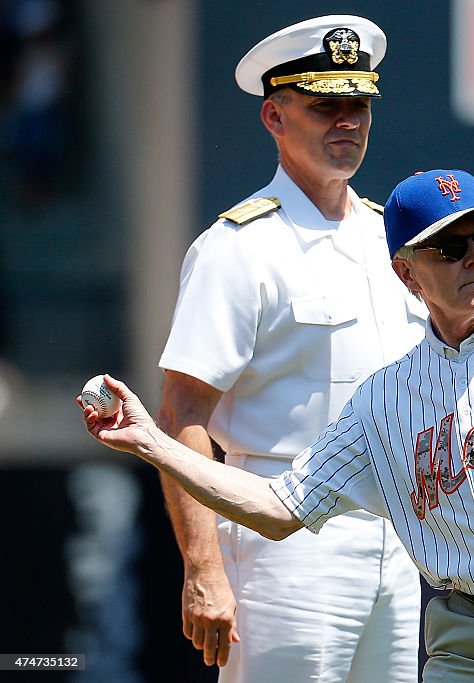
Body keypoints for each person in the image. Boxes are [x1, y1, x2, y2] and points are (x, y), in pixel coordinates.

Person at [84, 169, 474, 683]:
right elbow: (278, 508)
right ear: (408, 275)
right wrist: (152, 443)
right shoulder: (384, 397)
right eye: (450, 248)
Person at [154, 16, 426, 682]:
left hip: (396, 532)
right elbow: (181, 412)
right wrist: (204, 565)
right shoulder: (238, 246)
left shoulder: (384, 235)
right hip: (284, 532)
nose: (347, 121)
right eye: (324, 104)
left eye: (358, 103)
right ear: (274, 117)